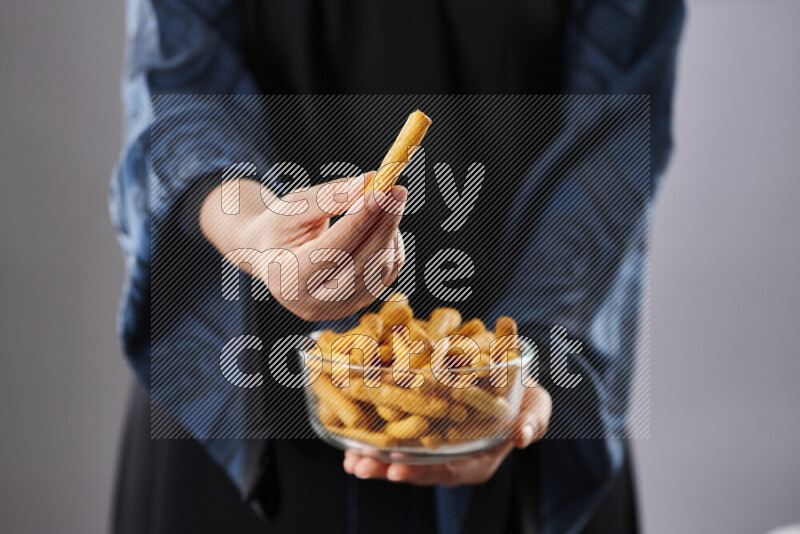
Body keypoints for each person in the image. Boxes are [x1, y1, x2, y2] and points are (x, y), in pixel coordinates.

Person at [110, 1, 684, 533]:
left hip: (527, 416)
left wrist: (512, 371)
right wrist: (255, 228)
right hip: (237, 405)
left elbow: (617, 124)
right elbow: (179, 76)